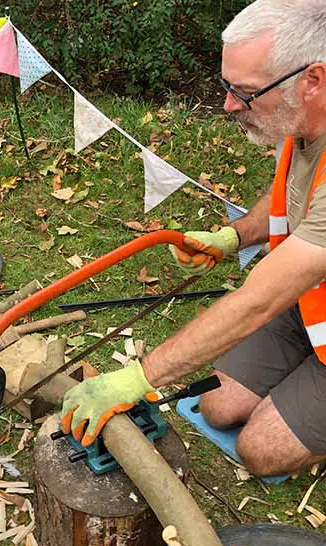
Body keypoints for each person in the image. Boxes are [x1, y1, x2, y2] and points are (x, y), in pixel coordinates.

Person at [62, 0, 326, 477]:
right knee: (217, 406)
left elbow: (256, 301)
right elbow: (289, 191)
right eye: (228, 87)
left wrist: (139, 378)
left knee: (260, 452)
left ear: (312, 80)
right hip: (311, 304)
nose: (228, 105)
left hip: (298, 297)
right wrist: (235, 234)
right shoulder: (301, 116)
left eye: (244, 92)